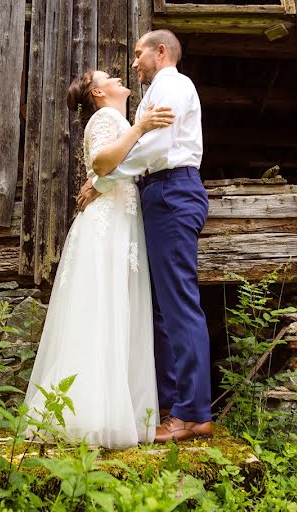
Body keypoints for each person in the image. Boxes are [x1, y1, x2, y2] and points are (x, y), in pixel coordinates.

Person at [23, 69, 175, 449]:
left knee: (110, 309)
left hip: (117, 219)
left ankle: (109, 412)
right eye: (109, 76)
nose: (119, 76)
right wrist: (139, 127)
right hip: (108, 225)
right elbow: (105, 162)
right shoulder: (106, 117)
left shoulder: (116, 119)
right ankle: (88, 416)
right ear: (98, 91)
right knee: (104, 309)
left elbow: (113, 169)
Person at [77, 30, 212, 443]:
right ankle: (172, 404)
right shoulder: (157, 91)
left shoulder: (170, 85)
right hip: (161, 194)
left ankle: (192, 415)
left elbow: (156, 147)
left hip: (172, 190)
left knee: (178, 305)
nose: (133, 64)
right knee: (162, 309)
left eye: (138, 55)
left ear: (161, 51)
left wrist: (101, 183)